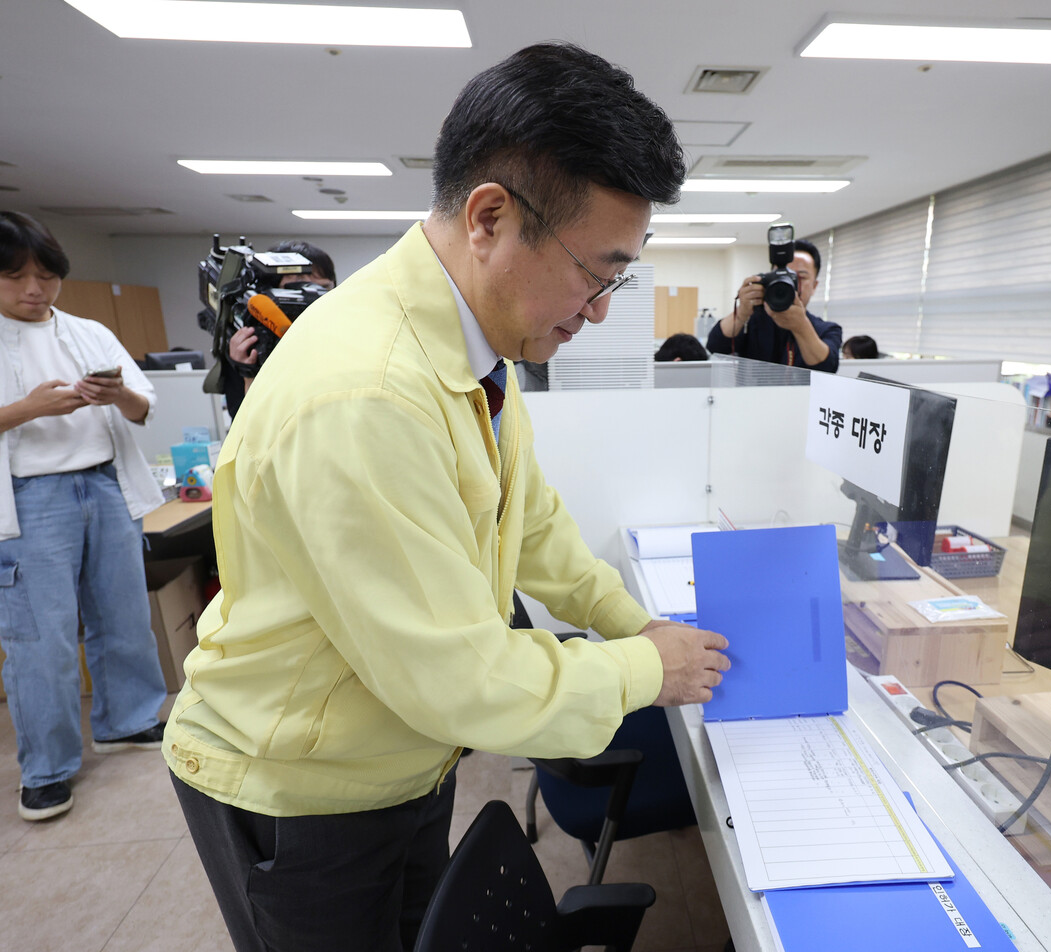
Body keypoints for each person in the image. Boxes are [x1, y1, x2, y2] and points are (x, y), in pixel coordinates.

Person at [164, 42, 730, 952]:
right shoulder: (367, 393)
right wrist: (644, 670)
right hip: (300, 786)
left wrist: (634, 623)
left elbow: (529, 521)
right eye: (595, 273)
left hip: (399, 748)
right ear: (490, 218)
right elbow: (458, 677)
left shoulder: (475, 348)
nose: (599, 309)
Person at [0, 211, 168, 822]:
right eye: (15, 277)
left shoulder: (87, 330)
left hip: (105, 485)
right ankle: (46, 769)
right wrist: (27, 409)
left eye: (46, 276)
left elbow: (144, 406)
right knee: (41, 640)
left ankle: (128, 720)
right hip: (30, 499)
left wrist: (116, 394)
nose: (34, 290)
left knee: (123, 618)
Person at [222, 239, 336, 418]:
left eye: (323, 288)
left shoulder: (341, 332)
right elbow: (246, 423)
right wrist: (248, 373)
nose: (313, 296)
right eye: (294, 289)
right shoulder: (248, 345)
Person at [706, 237, 841, 371]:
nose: (790, 283)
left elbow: (827, 367)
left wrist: (801, 327)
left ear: (814, 286)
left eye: (799, 277)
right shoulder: (752, 322)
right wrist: (741, 313)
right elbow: (715, 346)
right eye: (783, 276)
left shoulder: (827, 329)